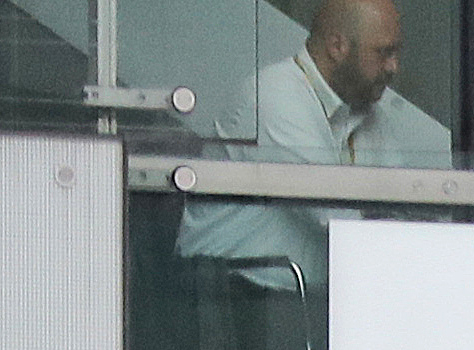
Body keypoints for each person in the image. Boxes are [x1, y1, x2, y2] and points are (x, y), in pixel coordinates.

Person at [176, 0, 454, 292]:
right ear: (337, 46)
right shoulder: (275, 96)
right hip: (231, 295)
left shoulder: (366, 111)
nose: (393, 67)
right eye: (383, 53)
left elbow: (398, 205)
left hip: (305, 298)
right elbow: (338, 218)